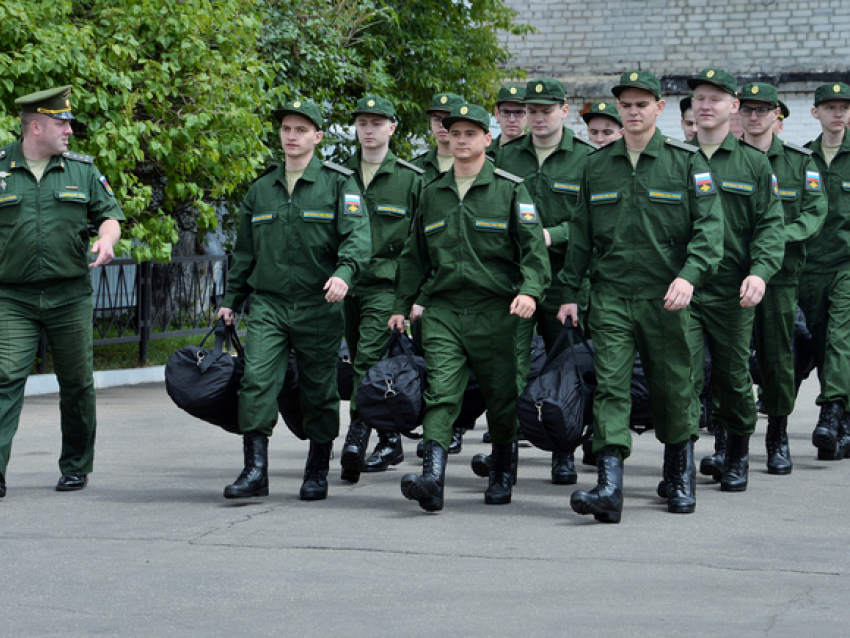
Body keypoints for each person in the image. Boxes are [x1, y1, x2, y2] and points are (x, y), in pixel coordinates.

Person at [558, 70, 723, 523]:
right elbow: (581, 235)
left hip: (667, 298)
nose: (632, 112)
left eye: (641, 104)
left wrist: (689, 276)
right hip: (611, 296)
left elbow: (710, 231)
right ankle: (610, 484)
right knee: (610, 386)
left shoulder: (686, 163)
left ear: (658, 108)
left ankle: (678, 473)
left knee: (674, 387)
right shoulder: (596, 165)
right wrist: (570, 291)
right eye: (625, 105)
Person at [389, 103, 549, 512]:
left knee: (501, 395)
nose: (461, 141)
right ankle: (432, 477)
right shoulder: (433, 193)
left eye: (470, 134)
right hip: (444, 310)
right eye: (454, 133)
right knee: (441, 392)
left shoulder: (511, 189)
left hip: (497, 311)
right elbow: (414, 256)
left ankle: (501, 471)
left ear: (487, 139)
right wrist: (401, 305)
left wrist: (530, 291)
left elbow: (533, 251)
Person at [217, 99, 371, 501]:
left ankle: (318, 466)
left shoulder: (339, 183)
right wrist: (231, 299)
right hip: (269, 304)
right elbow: (246, 252)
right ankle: (255, 470)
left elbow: (357, 238)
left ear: (317, 137)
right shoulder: (261, 190)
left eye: (300, 130)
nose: (291, 136)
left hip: (318, 304)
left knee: (318, 388)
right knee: (256, 382)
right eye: (286, 129)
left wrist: (344, 273)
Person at [0, 85, 124, 496]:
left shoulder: (82, 170)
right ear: (35, 126)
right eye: (61, 123)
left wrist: (107, 239)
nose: (69, 131)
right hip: (11, 297)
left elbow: (109, 216)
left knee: (76, 382)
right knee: (5, 377)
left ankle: (75, 464)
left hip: (69, 294)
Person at [687, 69, 785, 492]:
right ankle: (681, 464)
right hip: (684, 289)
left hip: (733, 289)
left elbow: (770, 226)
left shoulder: (754, 163)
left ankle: (736, 454)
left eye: (716, 98)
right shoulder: (676, 158)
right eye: (699, 99)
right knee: (683, 375)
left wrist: (760, 273)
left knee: (732, 375)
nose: (706, 105)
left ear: (735, 108)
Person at [497, 78, 597, 485]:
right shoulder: (504, 157)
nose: (537, 118)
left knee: (564, 369)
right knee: (511, 368)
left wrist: (550, 235)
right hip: (516, 281)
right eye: (531, 111)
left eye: (545, 110)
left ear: (564, 111)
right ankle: (505, 460)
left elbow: (591, 223)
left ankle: (564, 452)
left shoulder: (587, 159)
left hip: (563, 282)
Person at [739, 82, 827, 474]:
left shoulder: (799, 161)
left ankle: (777, 433)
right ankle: (730, 437)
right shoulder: (726, 159)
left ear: (777, 115)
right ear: (739, 113)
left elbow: (813, 213)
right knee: (730, 358)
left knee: (777, 357)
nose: (756, 117)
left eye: (764, 110)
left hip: (778, 278)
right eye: (750, 110)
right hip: (732, 275)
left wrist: (775, 239)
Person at [338, 96, 423, 483]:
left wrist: (415, 296)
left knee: (366, 362)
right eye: (362, 123)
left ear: (392, 127)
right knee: (359, 360)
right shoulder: (339, 177)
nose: (368, 130)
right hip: (343, 286)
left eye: (377, 122)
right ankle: (391, 439)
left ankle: (357, 437)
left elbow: (423, 241)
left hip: (386, 286)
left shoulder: (410, 179)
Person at [799, 82, 850, 460]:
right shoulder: (801, 159)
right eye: (830, 107)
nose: (838, 113)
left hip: (847, 264)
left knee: (838, 337)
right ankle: (844, 424)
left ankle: (830, 411)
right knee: (820, 342)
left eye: (844, 107)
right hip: (810, 266)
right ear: (815, 112)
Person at [411, 93, 465, 183]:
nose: (441, 125)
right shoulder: (415, 167)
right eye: (437, 119)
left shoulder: (477, 164)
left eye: (448, 119)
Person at [487, 84, 527, 161]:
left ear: (529, 114)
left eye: (519, 112)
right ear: (497, 114)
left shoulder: (537, 153)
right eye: (506, 112)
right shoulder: (483, 153)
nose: (512, 119)